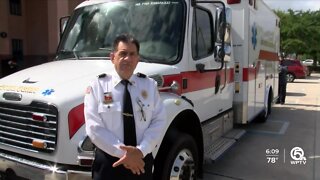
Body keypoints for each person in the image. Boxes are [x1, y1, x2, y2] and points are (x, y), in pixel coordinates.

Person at [84, 34, 166, 180]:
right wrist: (126, 155)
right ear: (112, 57)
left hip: (141, 160)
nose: (127, 59)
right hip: (109, 163)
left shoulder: (149, 86)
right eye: (122, 54)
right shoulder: (97, 86)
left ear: (137, 59)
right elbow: (93, 127)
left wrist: (141, 151)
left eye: (132, 54)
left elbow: (158, 121)